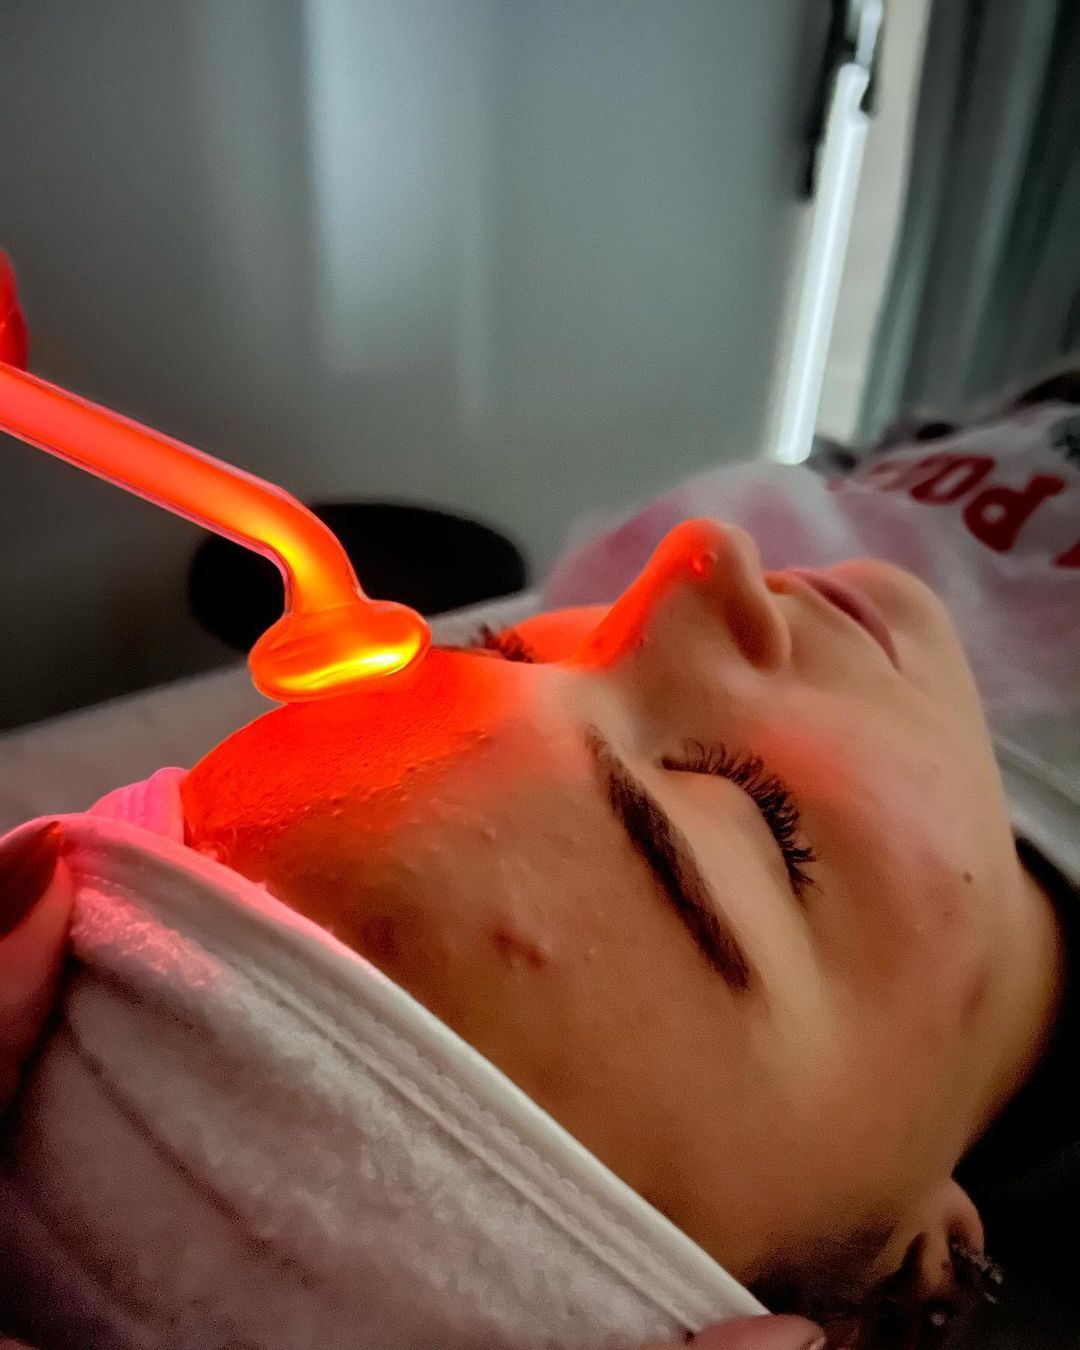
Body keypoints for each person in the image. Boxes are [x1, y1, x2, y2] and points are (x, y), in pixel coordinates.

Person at [3, 365, 1079, 1347]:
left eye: (501, 653)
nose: (697, 562)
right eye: (750, 813)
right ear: (919, 1271)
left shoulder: (653, 580)